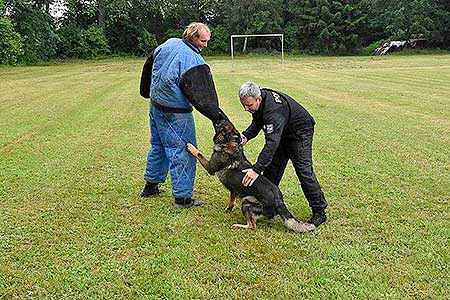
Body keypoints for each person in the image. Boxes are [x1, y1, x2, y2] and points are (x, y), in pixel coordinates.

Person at [139, 22, 213, 209]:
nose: (205, 45)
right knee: (184, 152)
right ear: (194, 37)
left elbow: (148, 66)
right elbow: (204, 96)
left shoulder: (168, 43)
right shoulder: (195, 60)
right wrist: (217, 118)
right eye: (203, 41)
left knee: (159, 146)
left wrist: (145, 92)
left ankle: (150, 186)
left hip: (155, 106)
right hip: (176, 113)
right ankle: (183, 199)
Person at [238, 82, 328, 227]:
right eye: (244, 105)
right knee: (273, 169)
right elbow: (258, 122)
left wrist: (256, 169)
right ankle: (267, 207)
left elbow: (272, 143)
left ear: (258, 99)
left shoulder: (273, 110)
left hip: (299, 132)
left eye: (249, 105)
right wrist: (246, 136)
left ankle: (319, 212)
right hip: (282, 132)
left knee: (304, 171)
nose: (245, 109)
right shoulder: (260, 103)